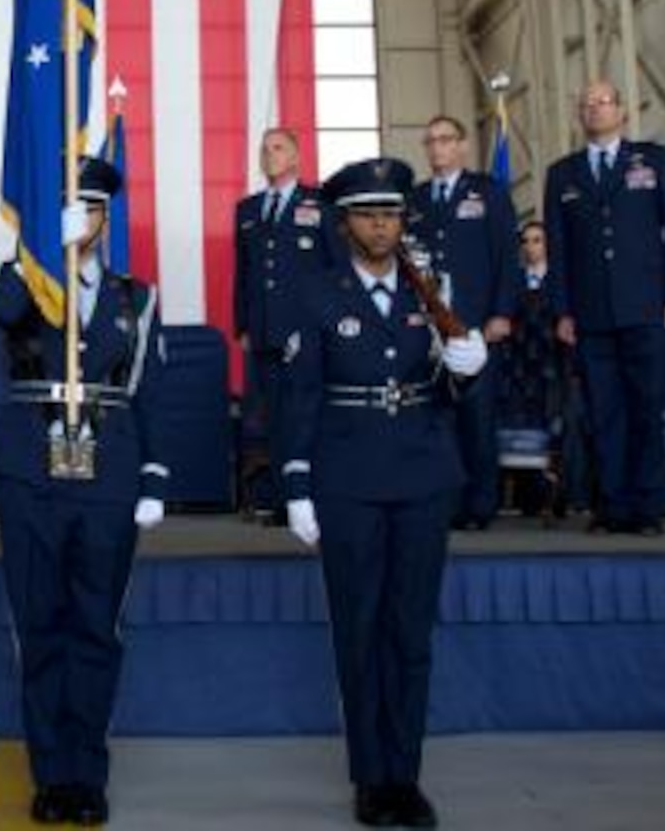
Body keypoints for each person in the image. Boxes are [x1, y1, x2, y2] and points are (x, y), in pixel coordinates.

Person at [276, 158, 486, 829]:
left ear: (403, 221)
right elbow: (299, 397)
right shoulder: (314, 294)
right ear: (345, 224)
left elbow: (446, 389)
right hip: (346, 478)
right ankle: (372, 778)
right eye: (367, 215)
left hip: (423, 474)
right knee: (360, 632)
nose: (380, 226)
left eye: (391, 214)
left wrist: (467, 372)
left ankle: (407, 774)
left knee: (410, 633)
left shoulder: (432, 292)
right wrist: (297, 486)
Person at [0, 157, 169, 828]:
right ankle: (48, 771)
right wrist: (46, 260)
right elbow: (2, 315)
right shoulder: (22, 278)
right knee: (40, 625)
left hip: (109, 469)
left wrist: (154, 475)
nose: (81, 218)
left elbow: (149, 389)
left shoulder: (135, 296)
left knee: (94, 625)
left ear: (104, 217)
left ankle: (85, 773)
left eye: (91, 208)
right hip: (31, 466)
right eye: (70, 208)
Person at [542, 80, 665, 536]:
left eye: (602, 103)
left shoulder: (653, 160)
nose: (594, 110)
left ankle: (647, 509)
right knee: (602, 413)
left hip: (647, 308)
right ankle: (612, 506)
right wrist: (563, 310)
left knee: (645, 409)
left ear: (622, 111)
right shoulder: (562, 173)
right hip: (590, 317)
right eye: (585, 105)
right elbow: (559, 248)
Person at [407, 116, 520, 530]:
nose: (436, 148)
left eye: (445, 140)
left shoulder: (488, 192)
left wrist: (502, 313)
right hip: (427, 328)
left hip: (475, 326)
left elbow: (508, 257)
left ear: (463, 145)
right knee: (438, 420)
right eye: (430, 141)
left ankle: (480, 505)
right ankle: (445, 503)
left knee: (476, 419)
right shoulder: (415, 198)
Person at [232, 127, 336, 517]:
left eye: (278, 148)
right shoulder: (248, 208)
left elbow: (335, 269)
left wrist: (327, 322)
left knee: (307, 415)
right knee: (271, 416)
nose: (269, 154)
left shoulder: (321, 203)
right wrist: (241, 325)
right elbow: (243, 273)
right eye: (264, 148)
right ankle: (281, 500)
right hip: (263, 330)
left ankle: (309, 496)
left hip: (307, 331)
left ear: (295, 157)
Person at [506, 222, 590, 517]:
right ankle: (530, 498)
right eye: (526, 241)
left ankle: (571, 496)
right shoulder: (512, 283)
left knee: (573, 413)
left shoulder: (565, 284)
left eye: (538, 240)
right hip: (521, 375)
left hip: (560, 371)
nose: (531, 247)